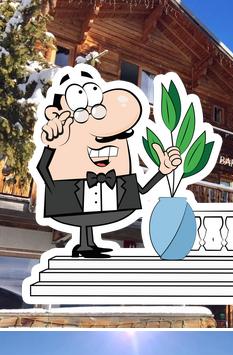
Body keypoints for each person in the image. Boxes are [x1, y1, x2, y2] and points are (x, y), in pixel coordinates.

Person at [33, 65, 181, 257]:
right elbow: (41, 166)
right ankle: (85, 244)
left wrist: (162, 170)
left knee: (89, 218)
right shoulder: (63, 139)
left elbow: (142, 190)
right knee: (83, 217)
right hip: (71, 194)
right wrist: (54, 181)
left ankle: (88, 244)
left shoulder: (120, 180)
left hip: (106, 196)